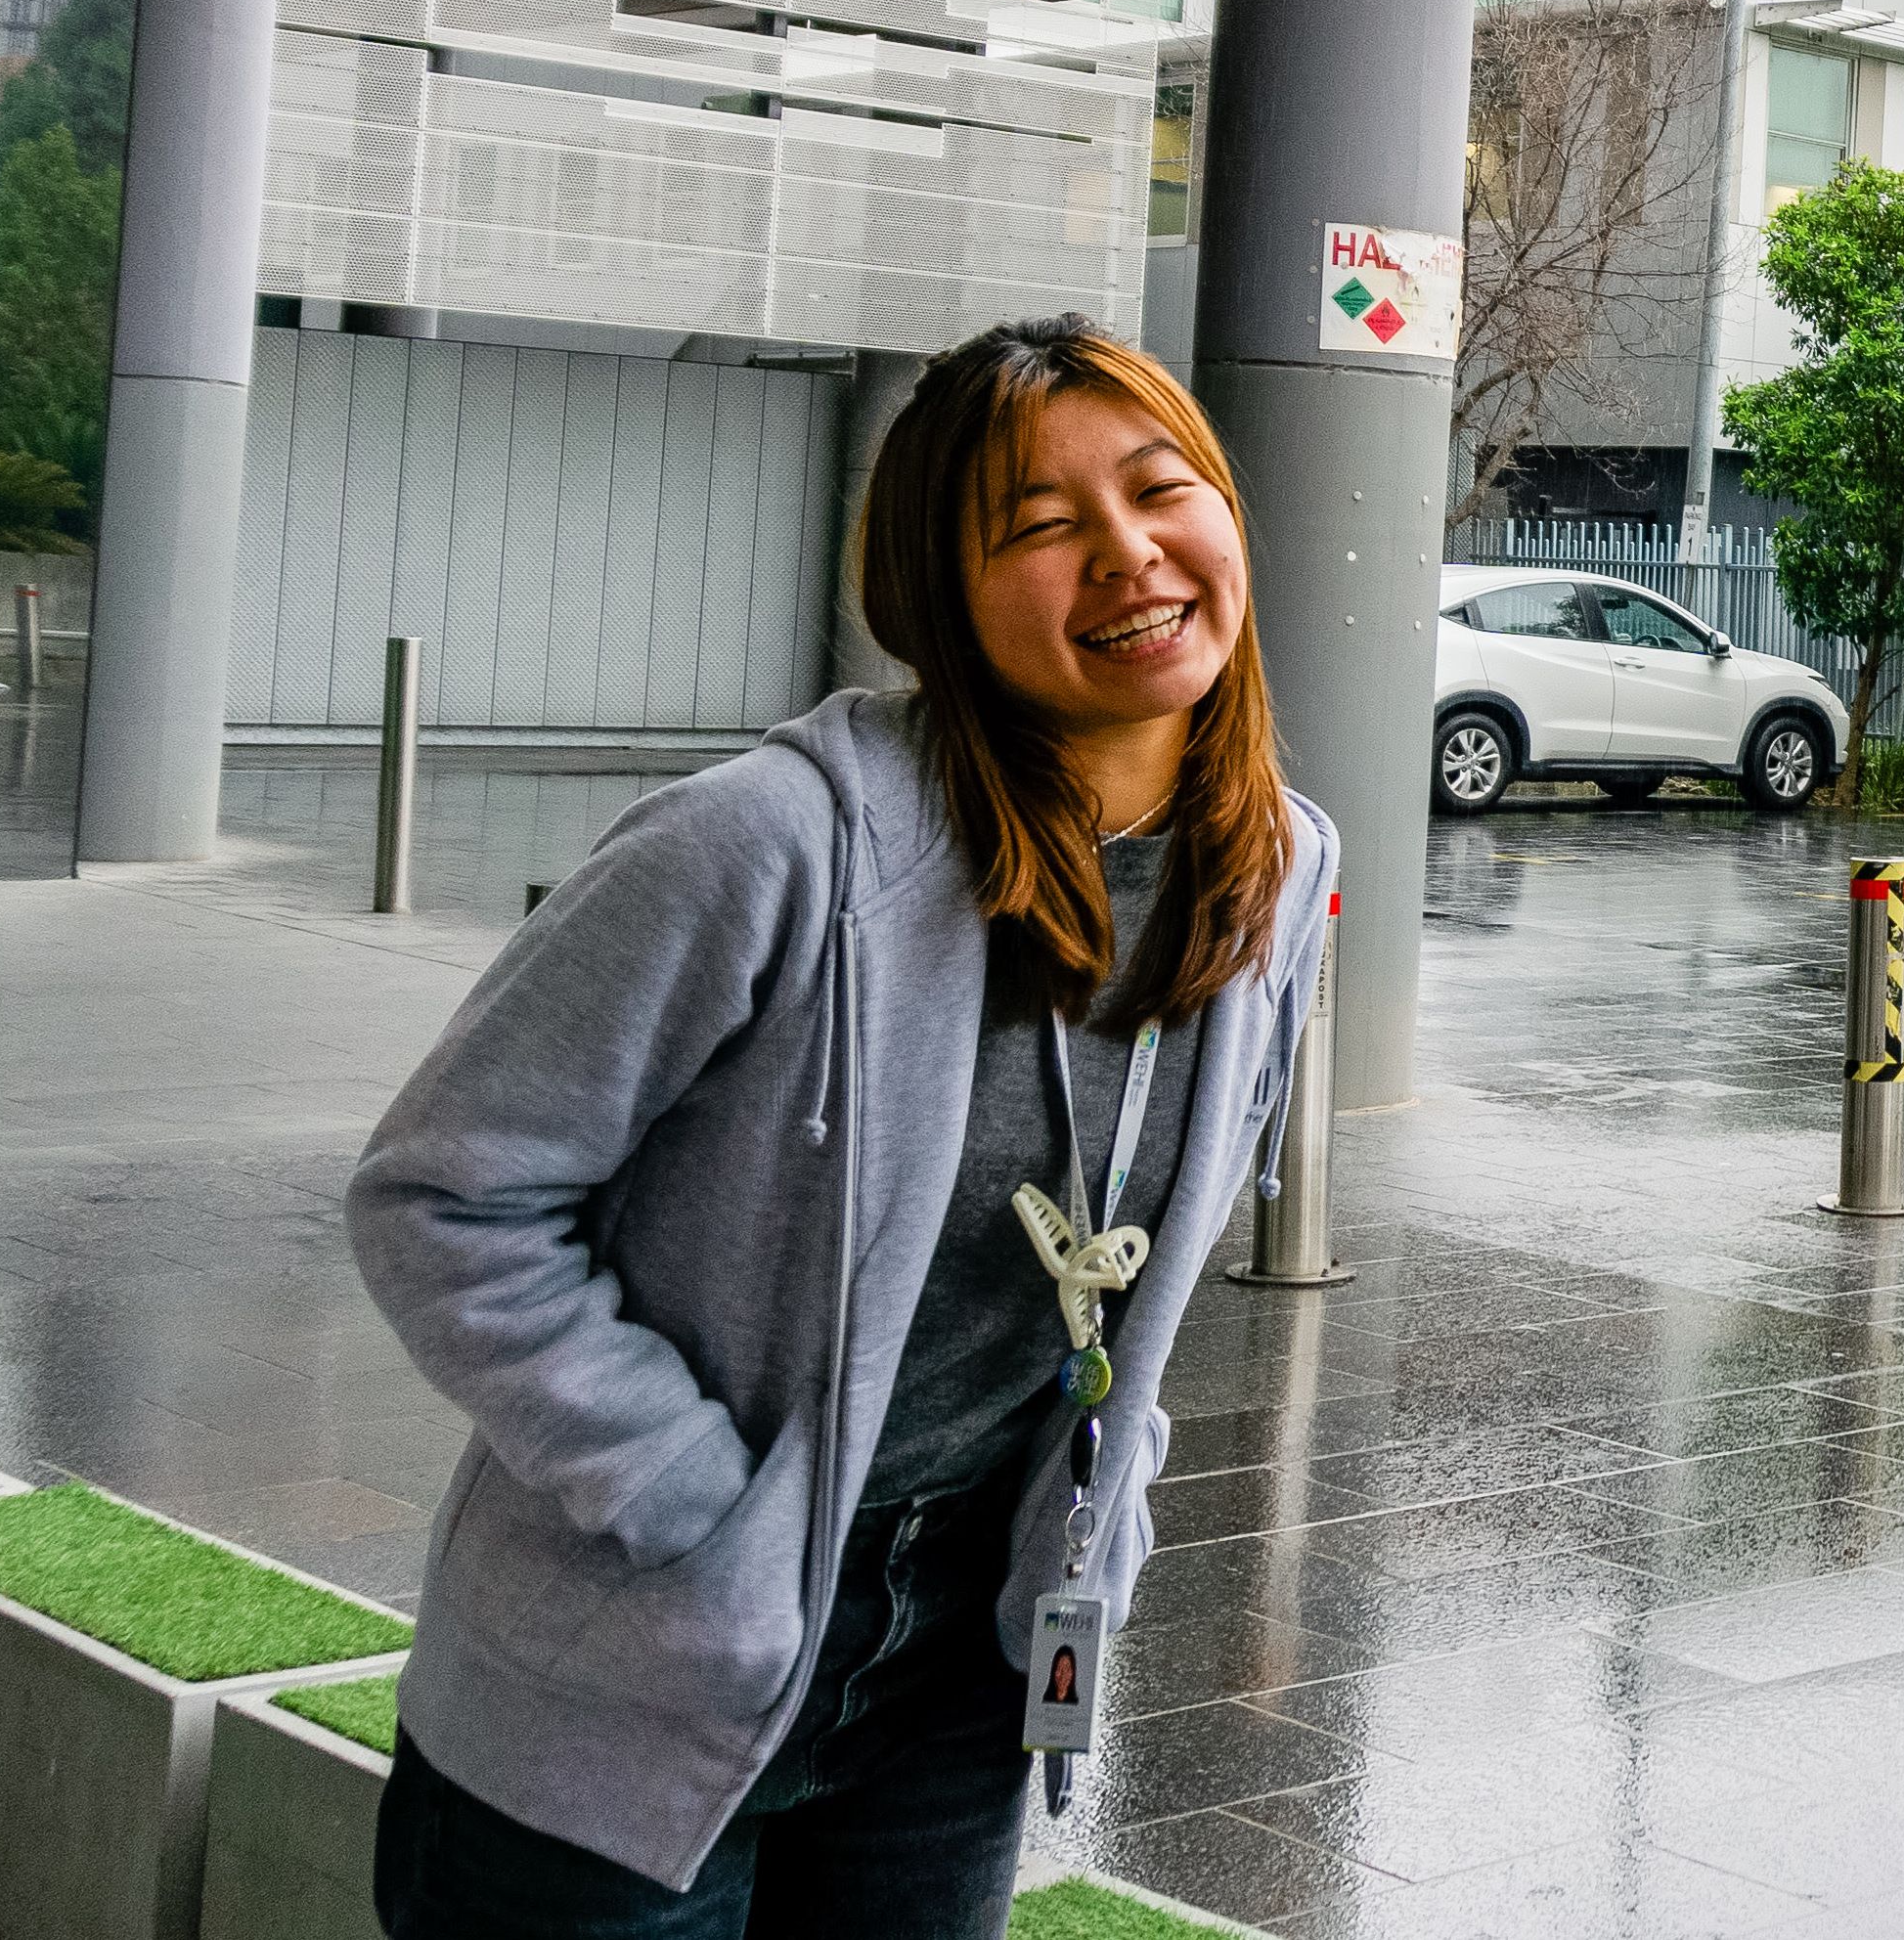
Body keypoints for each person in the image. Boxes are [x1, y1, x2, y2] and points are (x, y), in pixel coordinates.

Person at [351, 315, 1337, 1939]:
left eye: (1163, 490)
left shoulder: (1277, 874)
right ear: (936, 601)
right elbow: (443, 1199)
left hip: (965, 1664)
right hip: (636, 1663)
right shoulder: (764, 847)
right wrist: (691, 1501)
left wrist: (1101, 1505)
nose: (1126, 554)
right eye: (1038, 526)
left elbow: (1128, 1277)